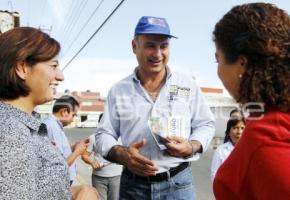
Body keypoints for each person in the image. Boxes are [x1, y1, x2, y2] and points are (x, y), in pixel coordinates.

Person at [95, 16, 215, 199]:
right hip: (133, 188)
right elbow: (104, 134)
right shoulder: (119, 90)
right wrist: (123, 155)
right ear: (135, 46)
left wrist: (192, 146)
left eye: (164, 46)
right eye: (150, 45)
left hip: (178, 185)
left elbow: (206, 124)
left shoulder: (187, 85)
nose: (158, 54)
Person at [213, 3, 290, 199]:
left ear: (241, 64)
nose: (217, 71)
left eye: (217, 59)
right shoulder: (286, 116)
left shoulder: (269, 144)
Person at [0, 27, 70, 199]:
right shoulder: (11, 134)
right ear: (22, 67)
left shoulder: (23, 124)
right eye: (53, 66)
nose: (60, 76)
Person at [43, 95, 88, 185]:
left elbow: (58, 152)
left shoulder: (55, 125)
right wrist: (77, 152)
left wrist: (73, 147)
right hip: (60, 181)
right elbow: (59, 165)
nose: (73, 119)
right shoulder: (53, 127)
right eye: (73, 115)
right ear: (64, 111)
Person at [82, 113, 123, 200]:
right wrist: (92, 162)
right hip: (98, 177)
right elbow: (85, 155)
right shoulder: (93, 137)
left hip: (117, 176)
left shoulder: (121, 139)